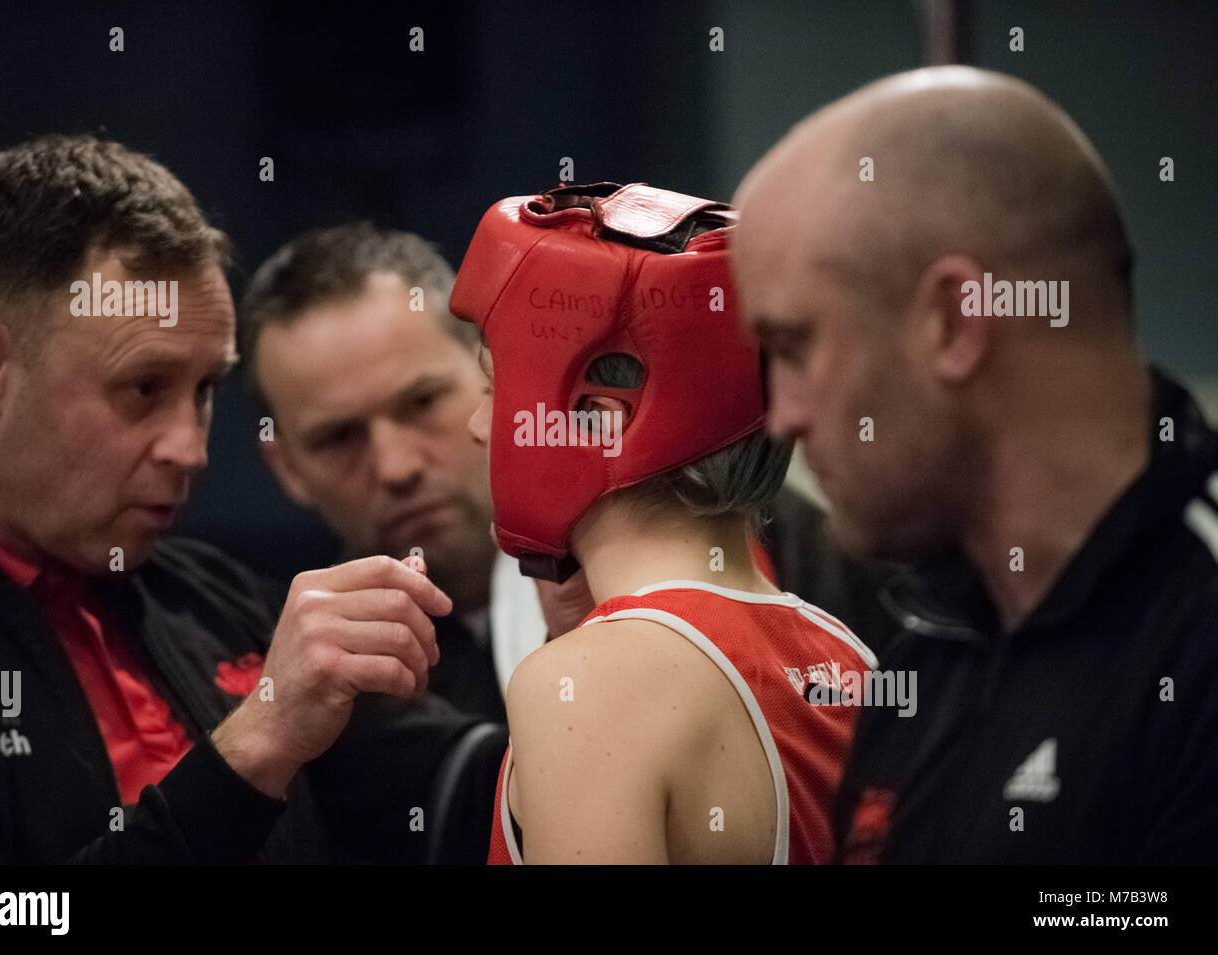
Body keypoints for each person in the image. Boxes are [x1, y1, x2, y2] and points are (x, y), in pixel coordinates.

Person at [0, 134, 461, 863]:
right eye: (143, 388)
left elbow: (465, 787)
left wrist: (613, 642)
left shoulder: (216, 596)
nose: (191, 449)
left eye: (204, 390)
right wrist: (254, 745)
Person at [732, 66, 1218, 862]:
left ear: (957, 322)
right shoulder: (925, 656)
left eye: (796, 346)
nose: (781, 415)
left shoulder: (1194, 629)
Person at [452, 181, 877, 864]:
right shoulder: (848, 657)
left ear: (597, 418)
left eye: (495, 390)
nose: (478, 428)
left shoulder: (586, 684)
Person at [241, 222, 546, 723]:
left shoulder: (641, 591)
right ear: (287, 468)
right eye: (338, 439)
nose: (396, 467)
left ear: (497, 373)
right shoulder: (296, 708)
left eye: (422, 402)